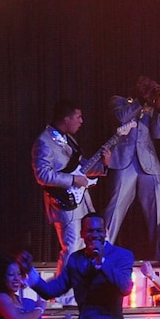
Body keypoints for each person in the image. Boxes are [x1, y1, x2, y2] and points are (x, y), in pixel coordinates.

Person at [105, 76, 160, 257]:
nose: (147, 89)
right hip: (124, 161)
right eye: (144, 86)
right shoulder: (118, 101)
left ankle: (158, 256)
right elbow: (121, 118)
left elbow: (159, 133)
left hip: (149, 163)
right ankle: (102, 251)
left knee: (157, 210)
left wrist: (158, 108)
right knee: (115, 208)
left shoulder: (150, 107)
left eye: (150, 86)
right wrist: (142, 101)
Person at [30, 99, 104, 257]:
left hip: (82, 200)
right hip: (64, 203)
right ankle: (64, 282)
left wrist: (103, 166)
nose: (81, 121)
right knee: (72, 249)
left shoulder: (69, 139)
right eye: (78, 117)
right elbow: (42, 175)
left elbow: (81, 166)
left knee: (89, 245)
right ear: (66, 119)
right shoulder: (44, 142)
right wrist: (72, 180)